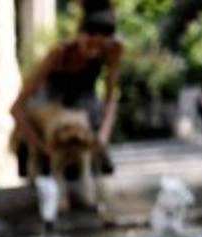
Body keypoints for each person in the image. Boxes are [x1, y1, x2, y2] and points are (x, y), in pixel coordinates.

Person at [11, 0, 123, 181]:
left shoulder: (113, 50)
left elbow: (111, 96)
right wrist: (41, 147)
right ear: (80, 35)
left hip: (85, 108)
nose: (93, 52)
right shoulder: (59, 54)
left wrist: (103, 134)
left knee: (95, 164)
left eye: (99, 48)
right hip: (50, 112)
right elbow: (17, 108)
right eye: (90, 45)